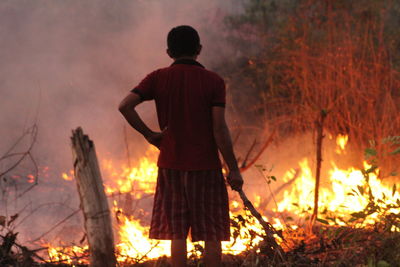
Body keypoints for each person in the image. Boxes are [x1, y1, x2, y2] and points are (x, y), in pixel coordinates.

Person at [118, 25, 243, 267]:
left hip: (170, 166)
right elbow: (219, 128)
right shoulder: (214, 81)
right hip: (205, 167)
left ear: (168, 52)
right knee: (212, 234)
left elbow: (125, 106)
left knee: (177, 234)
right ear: (199, 49)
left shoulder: (157, 77)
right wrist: (233, 169)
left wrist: (149, 135)